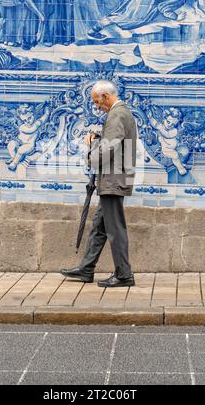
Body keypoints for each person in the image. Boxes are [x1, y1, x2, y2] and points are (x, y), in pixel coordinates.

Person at [61, 80, 137, 287]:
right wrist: (97, 138)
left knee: (115, 229)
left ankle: (124, 275)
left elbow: (109, 148)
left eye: (97, 101)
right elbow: (113, 142)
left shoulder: (117, 114)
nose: (96, 106)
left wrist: (90, 155)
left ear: (105, 96)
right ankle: (86, 269)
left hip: (114, 178)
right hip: (114, 177)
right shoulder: (119, 113)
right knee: (100, 227)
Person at [88, 0, 204, 39]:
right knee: (129, 18)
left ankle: (95, 29)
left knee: (122, 13)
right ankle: (93, 30)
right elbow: (163, 8)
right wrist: (176, 17)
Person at [6, 103, 50, 170]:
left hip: (29, 145)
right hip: (19, 142)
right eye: (24, 120)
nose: (27, 121)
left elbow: (31, 129)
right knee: (11, 145)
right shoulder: (23, 126)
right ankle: (14, 157)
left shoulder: (36, 124)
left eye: (29, 118)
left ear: (33, 115)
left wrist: (47, 112)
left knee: (20, 150)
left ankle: (14, 163)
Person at [147, 107, 187, 175]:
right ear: (164, 119)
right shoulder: (161, 126)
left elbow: (167, 135)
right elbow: (154, 124)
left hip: (175, 147)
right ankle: (181, 168)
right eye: (168, 122)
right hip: (166, 149)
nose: (169, 125)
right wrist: (150, 118)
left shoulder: (174, 130)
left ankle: (182, 163)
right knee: (175, 155)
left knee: (184, 151)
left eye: (173, 124)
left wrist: (160, 128)